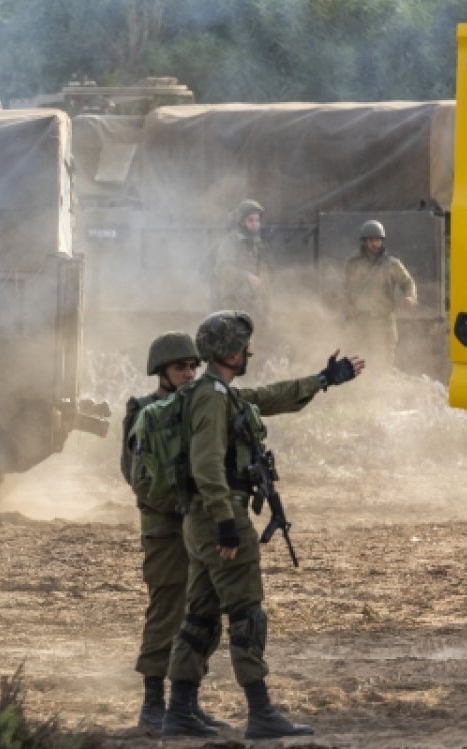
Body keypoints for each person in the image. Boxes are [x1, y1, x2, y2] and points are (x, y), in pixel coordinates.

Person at [162, 310, 364, 738]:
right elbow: (207, 466)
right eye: (244, 346)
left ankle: (179, 710)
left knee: (200, 616)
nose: (249, 351)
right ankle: (260, 713)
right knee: (246, 612)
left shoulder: (212, 391)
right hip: (220, 517)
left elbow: (270, 396)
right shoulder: (213, 398)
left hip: (200, 521)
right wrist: (226, 524)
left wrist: (323, 380)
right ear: (231, 352)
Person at [120, 332, 225, 734]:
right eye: (181, 366)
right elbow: (136, 476)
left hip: (201, 528)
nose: (189, 372)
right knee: (166, 614)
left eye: (193, 366)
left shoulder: (203, 407)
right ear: (160, 370)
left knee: (203, 617)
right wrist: (179, 503)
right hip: (165, 531)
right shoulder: (144, 411)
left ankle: (186, 701)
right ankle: (152, 704)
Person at [343, 219, 417, 372]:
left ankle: (380, 388)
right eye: (371, 240)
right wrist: (347, 306)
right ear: (364, 242)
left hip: (383, 320)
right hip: (359, 320)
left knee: (384, 357)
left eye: (377, 240)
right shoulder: (353, 263)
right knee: (357, 357)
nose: (374, 243)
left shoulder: (391, 264)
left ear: (382, 241)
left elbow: (407, 282)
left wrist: (410, 297)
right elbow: (344, 289)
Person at [210, 199, 270, 328]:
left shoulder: (257, 245)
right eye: (250, 220)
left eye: (257, 220)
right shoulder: (230, 243)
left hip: (252, 304)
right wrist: (246, 276)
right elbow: (222, 270)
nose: (255, 224)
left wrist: (266, 309)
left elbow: (264, 278)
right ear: (242, 221)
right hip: (232, 306)